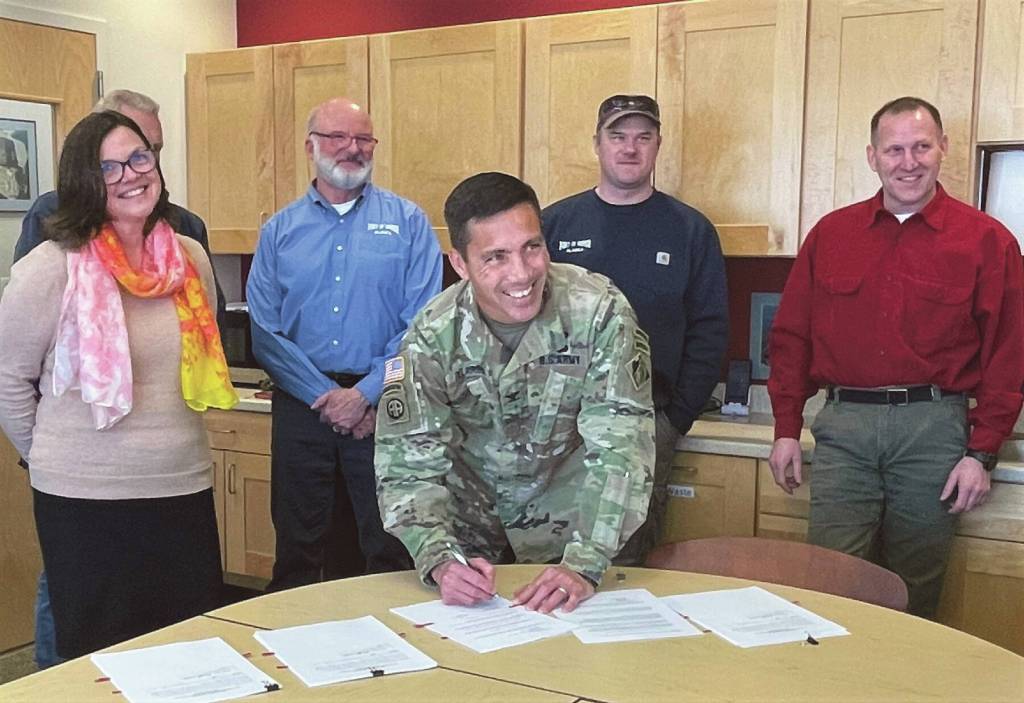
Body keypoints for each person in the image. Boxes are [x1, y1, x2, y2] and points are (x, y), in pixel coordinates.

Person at [767, 96, 1024, 618]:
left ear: (943, 149)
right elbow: (791, 337)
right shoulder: (832, 235)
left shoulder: (986, 242)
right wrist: (786, 427)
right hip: (845, 428)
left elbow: (1009, 352)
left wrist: (983, 452)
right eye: (895, 150)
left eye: (922, 147)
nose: (909, 162)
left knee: (915, 588)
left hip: (933, 432)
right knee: (828, 581)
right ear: (873, 156)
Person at [0, 110, 237, 660]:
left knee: (189, 652)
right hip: (83, 500)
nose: (130, 174)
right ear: (83, 180)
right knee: (100, 660)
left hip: (181, 486)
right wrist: (52, 456)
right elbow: (9, 379)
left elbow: (203, 351)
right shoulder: (50, 267)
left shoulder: (190, 258)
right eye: (108, 167)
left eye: (138, 157)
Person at [375, 172, 656, 613]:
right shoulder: (431, 335)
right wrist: (440, 559)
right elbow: (408, 463)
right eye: (496, 257)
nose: (521, 273)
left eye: (532, 247)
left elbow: (622, 448)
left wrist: (584, 564)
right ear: (460, 264)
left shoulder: (598, 312)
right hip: (473, 549)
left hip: (576, 541)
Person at [247, 97, 442, 591]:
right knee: (299, 549)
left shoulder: (410, 223)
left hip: (388, 404)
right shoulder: (279, 232)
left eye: (363, 139)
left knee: (389, 546)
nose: (351, 149)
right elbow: (266, 333)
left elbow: (421, 328)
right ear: (311, 146)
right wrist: (330, 399)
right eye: (337, 137)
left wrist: (365, 395)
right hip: (301, 407)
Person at [542, 94, 728, 564]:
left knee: (626, 558)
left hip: (647, 422)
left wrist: (676, 418)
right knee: (546, 552)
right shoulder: (556, 224)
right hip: (558, 425)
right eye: (618, 136)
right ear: (597, 145)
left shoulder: (690, 230)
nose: (630, 148)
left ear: (658, 145)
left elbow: (710, 328)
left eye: (643, 137)